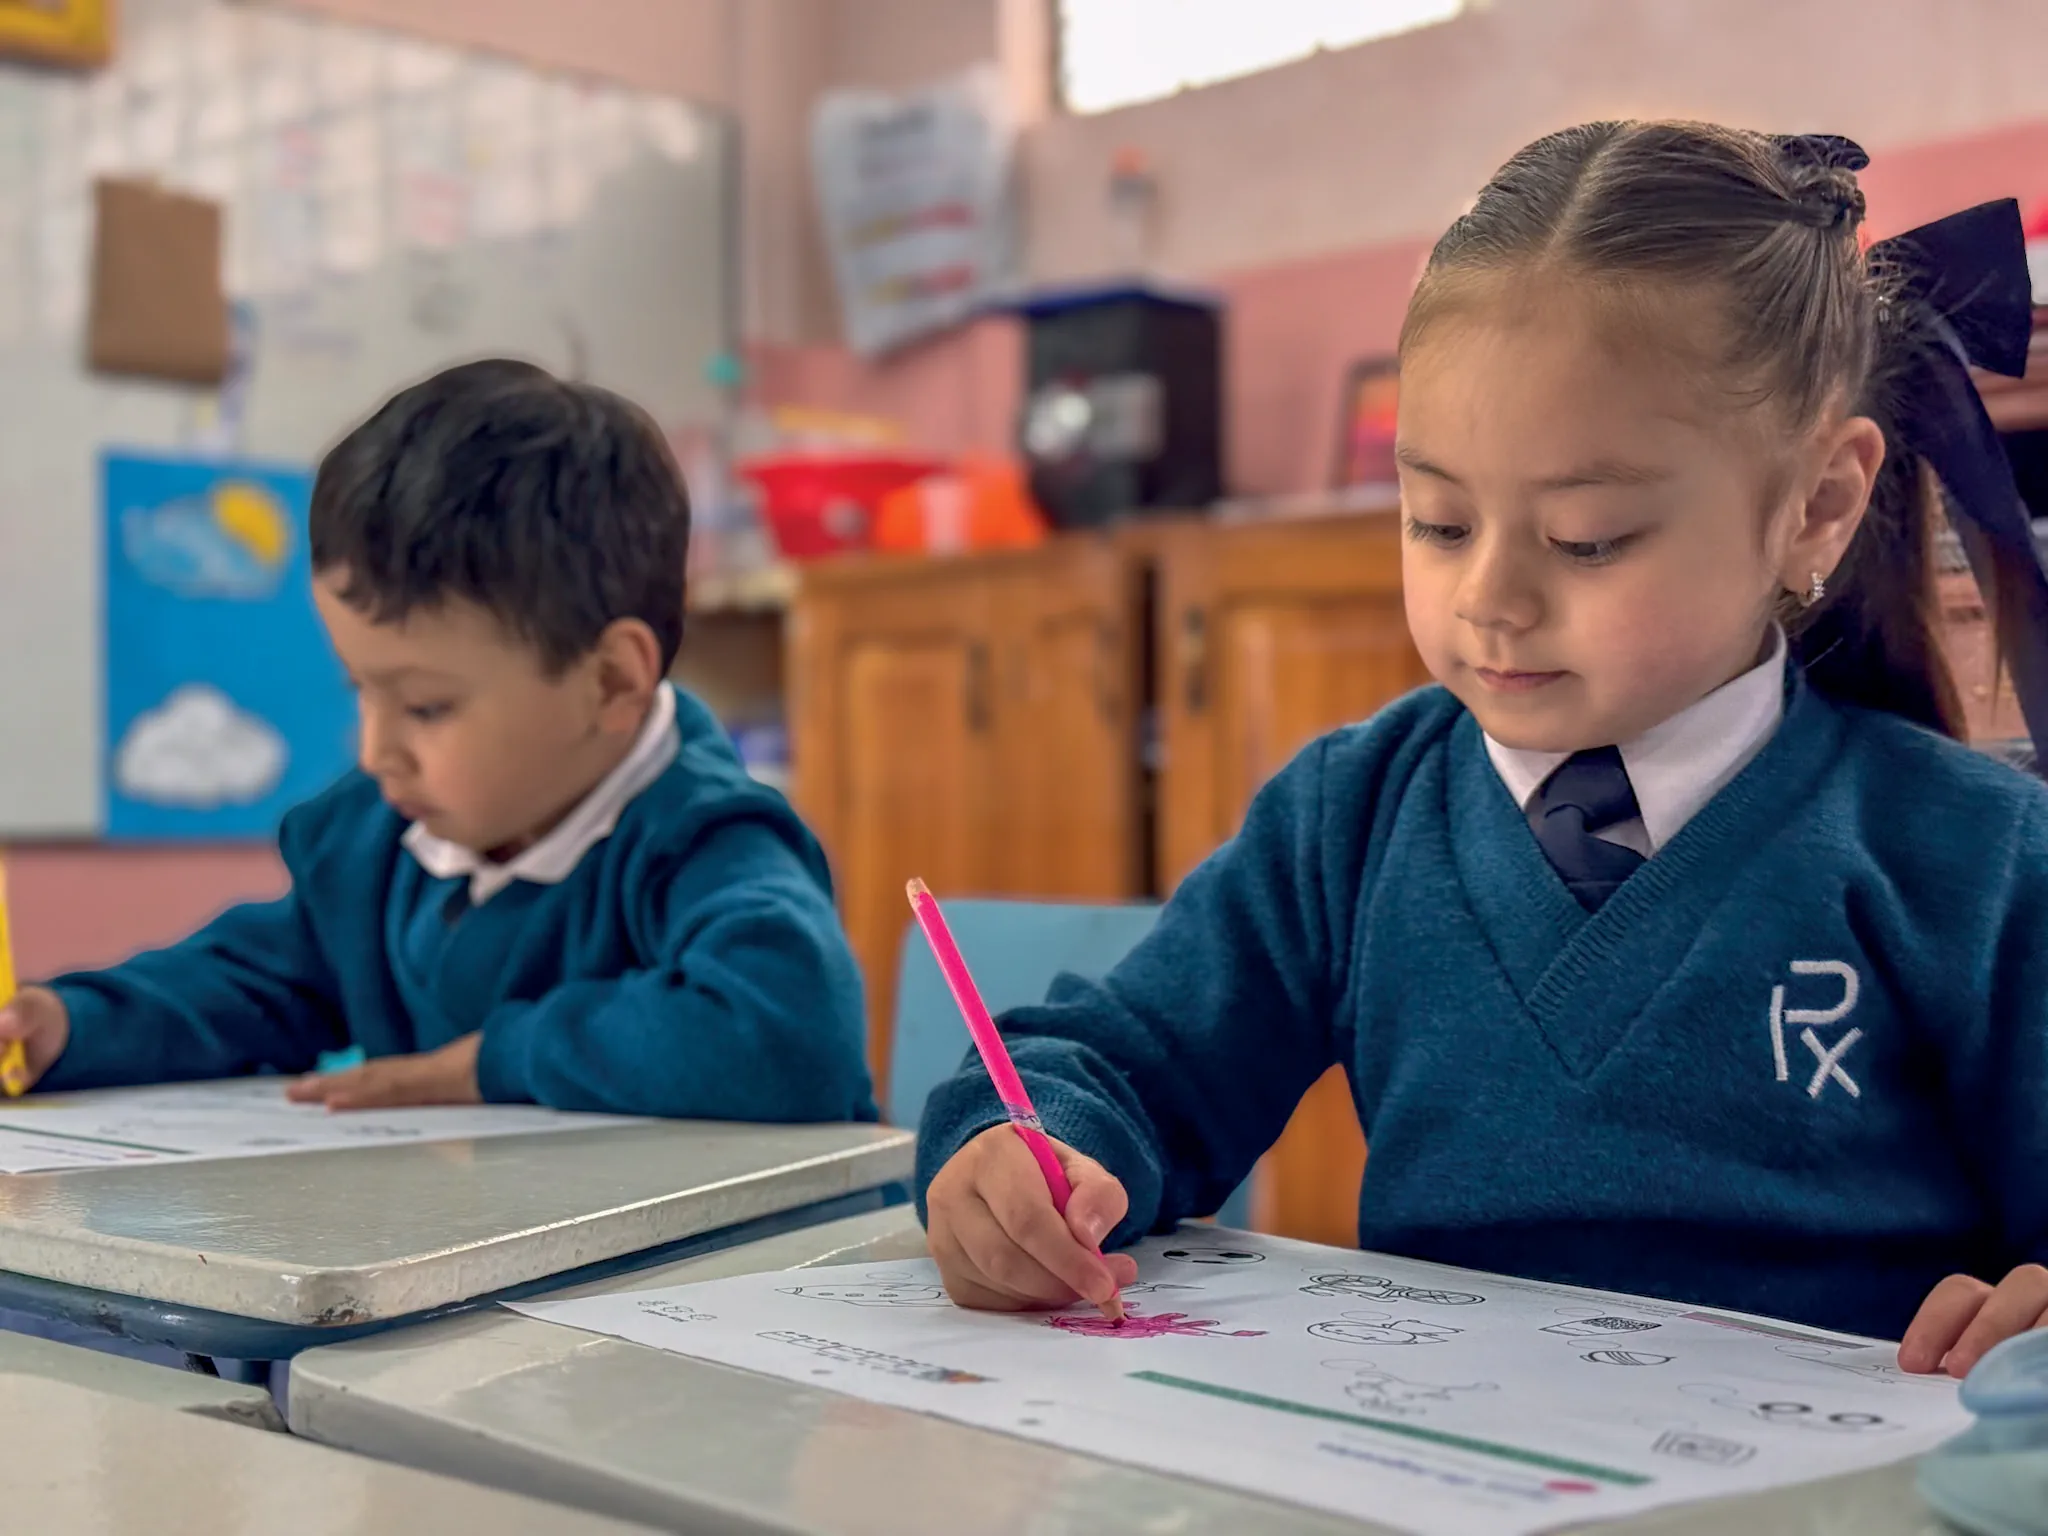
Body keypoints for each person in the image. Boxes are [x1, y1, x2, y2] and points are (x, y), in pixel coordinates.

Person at [916, 122, 2048, 1376]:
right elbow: (1124, 1059)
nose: (1490, 598)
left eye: (1586, 538)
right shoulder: (1350, 819)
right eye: (1438, 521)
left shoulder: (1966, 858)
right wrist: (1024, 1151)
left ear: (1815, 506)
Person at [0, 360, 875, 1124]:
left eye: (425, 707)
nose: (377, 751)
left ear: (609, 682)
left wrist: (492, 1062)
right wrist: (75, 1024)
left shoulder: (704, 841)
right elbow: (259, 984)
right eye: (360, 691)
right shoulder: (387, 841)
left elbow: (788, 1034)